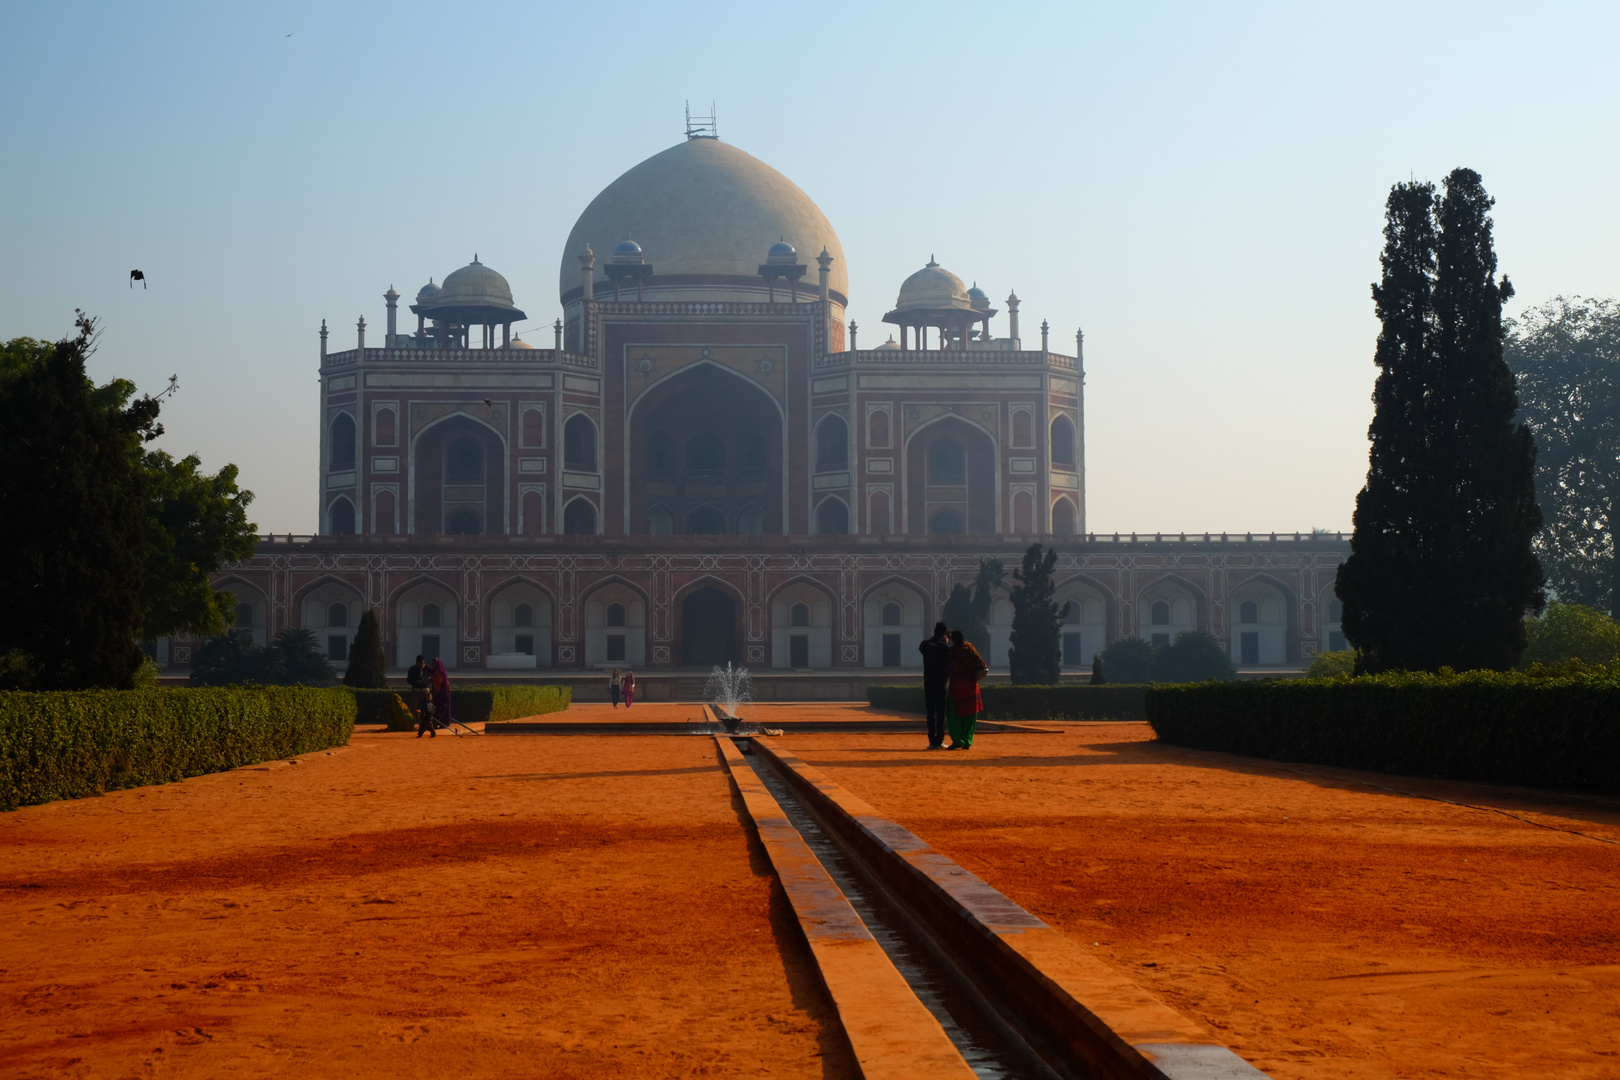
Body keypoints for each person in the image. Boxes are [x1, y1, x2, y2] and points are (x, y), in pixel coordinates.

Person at [945, 629, 988, 750]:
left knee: (955, 717)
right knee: (969, 716)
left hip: (957, 687)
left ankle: (957, 740)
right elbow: (981, 665)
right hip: (971, 687)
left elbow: (948, 668)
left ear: (953, 640)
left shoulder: (953, 652)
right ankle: (967, 741)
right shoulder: (969, 648)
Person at [918, 622, 951, 750]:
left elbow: (924, 650)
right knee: (940, 712)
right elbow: (948, 656)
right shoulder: (944, 647)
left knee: (930, 712)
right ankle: (940, 740)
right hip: (940, 682)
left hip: (929, 682)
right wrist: (946, 640)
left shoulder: (924, 644)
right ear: (944, 633)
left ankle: (932, 741)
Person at [407, 654, 430, 729]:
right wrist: (416, 682)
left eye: (421, 663)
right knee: (413, 708)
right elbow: (408, 680)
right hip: (415, 691)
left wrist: (426, 682)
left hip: (425, 691)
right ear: (416, 662)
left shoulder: (428, 668)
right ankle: (412, 724)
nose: (420, 664)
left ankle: (424, 724)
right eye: (418, 663)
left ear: (424, 662)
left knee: (426, 708)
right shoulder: (412, 669)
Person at [431, 658, 454, 732]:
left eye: (436, 664)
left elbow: (440, 681)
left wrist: (432, 677)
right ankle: (437, 722)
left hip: (442, 694)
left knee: (441, 709)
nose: (434, 665)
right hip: (437, 694)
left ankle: (442, 723)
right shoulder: (436, 671)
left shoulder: (439, 671)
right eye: (433, 664)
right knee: (436, 709)